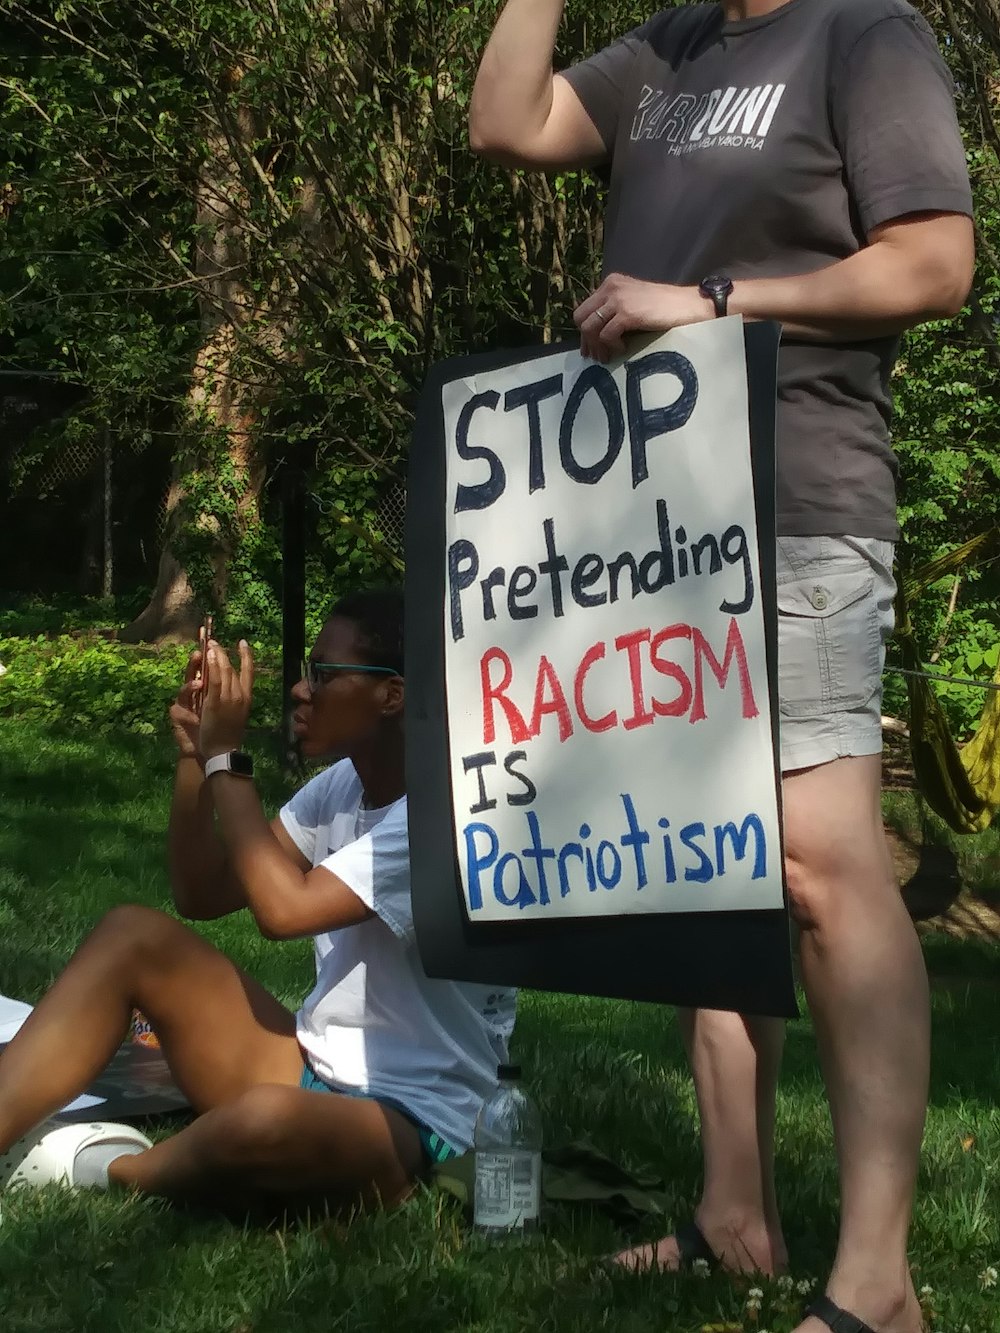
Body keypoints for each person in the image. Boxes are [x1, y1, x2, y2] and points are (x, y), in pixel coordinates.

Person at [469, 2, 974, 1331]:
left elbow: (933, 264)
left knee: (819, 864)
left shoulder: (864, 36)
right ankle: (732, 1215)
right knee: (706, 862)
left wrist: (709, 303)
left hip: (798, 498)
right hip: (654, 521)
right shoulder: (666, 52)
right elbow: (503, 123)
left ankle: (879, 1281)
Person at [0, 588, 516, 1214]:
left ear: (393, 694)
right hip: (312, 1067)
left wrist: (229, 760)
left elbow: (284, 912)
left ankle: (109, 1167)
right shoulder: (342, 786)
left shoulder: (443, 817)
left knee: (264, 1122)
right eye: (306, 673)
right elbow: (203, 893)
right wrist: (197, 756)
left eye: (323, 674)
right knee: (132, 935)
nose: (302, 690)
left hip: (419, 1118)